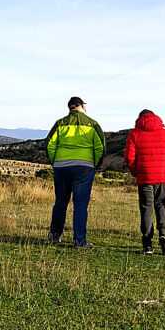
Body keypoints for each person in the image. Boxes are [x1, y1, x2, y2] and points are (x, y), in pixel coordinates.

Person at [46, 97, 106, 248]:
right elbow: (100, 148)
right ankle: (79, 241)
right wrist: (94, 165)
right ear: (82, 106)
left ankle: (55, 235)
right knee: (80, 205)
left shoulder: (60, 123)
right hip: (84, 167)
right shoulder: (93, 124)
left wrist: (55, 162)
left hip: (61, 166)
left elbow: (50, 145)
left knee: (60, 202)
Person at [125, 109, 165, 255]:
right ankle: (164, 234)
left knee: (146, 208)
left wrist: (136, 172)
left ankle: (147, 244)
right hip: (161, 175)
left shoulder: (135, 133)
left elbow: (129, 157)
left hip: (144, 176)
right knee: (161, 204)